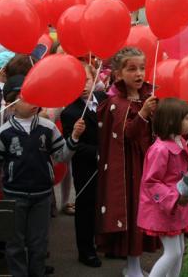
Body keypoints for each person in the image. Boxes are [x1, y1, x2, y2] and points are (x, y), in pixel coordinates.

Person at [0, 75, 84, 277]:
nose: (33, 101)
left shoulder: (48, 128)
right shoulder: (4, 132)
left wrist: (74, 138)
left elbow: (62, 155)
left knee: (39, 243)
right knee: (14, 243)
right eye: (25, 97)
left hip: (42, 194)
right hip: (14, 194)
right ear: (12, 104)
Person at [96, 47, 159, 277]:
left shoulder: (147, 97)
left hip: (146, 165)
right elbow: (127, 134)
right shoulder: (114, 103)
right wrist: (142, 114)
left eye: (142, 68)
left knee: (144, 212)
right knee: (132, 212)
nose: (139, 74)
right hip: (127, 169)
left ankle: (135, 263)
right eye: (132, 69)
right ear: (119, 73)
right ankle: (131, 266)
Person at [137, 98, 188, 277]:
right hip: (165, 207)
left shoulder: (180, 141)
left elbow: (184, 168)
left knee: (179, 250)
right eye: (187, 118)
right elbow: (151, 182)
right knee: (174, 253)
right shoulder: (160, 149)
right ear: (172, 121)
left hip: (176, 207)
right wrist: (174, 197)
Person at [60, 64, 107, 268]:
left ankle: (107, 242)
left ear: (93, 78)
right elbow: (75, 146)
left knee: (106, 205)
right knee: (86, 208)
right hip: (86, 168)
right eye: (77, 82)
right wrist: (99, 153)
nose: (84, 85)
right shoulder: (70, 112)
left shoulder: (105, 100)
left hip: (109, 166)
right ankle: (85, 250)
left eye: (86, 79)